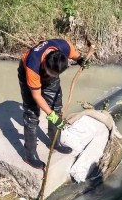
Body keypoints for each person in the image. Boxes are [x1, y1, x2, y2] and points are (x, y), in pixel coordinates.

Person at [18, 39, 89, 169]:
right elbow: (37, 96)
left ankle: (55, 143)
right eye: (49, 73)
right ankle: (30, 155)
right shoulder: (32, 65)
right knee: (32, 115)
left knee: (56, 107)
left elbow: (75, 53)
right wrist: (52, 117)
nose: (50, 76)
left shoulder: (63, 47)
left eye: (54, 74)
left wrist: (80, 60)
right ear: (45, 63)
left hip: (49, 69)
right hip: (27, 74)